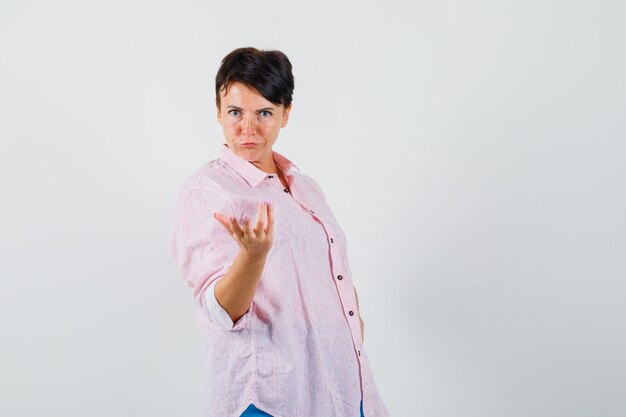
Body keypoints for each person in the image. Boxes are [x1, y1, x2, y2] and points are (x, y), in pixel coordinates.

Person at [168, 47, 389, 417]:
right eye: (235, 112)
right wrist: (253, 256)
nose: (248, 129)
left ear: (286, 114)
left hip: (343, 386)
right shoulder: (208, 190)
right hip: (272, 396)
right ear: (219, 111)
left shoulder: (306, 188)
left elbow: (331, 269)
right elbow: (221, 311)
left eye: (265, 113)